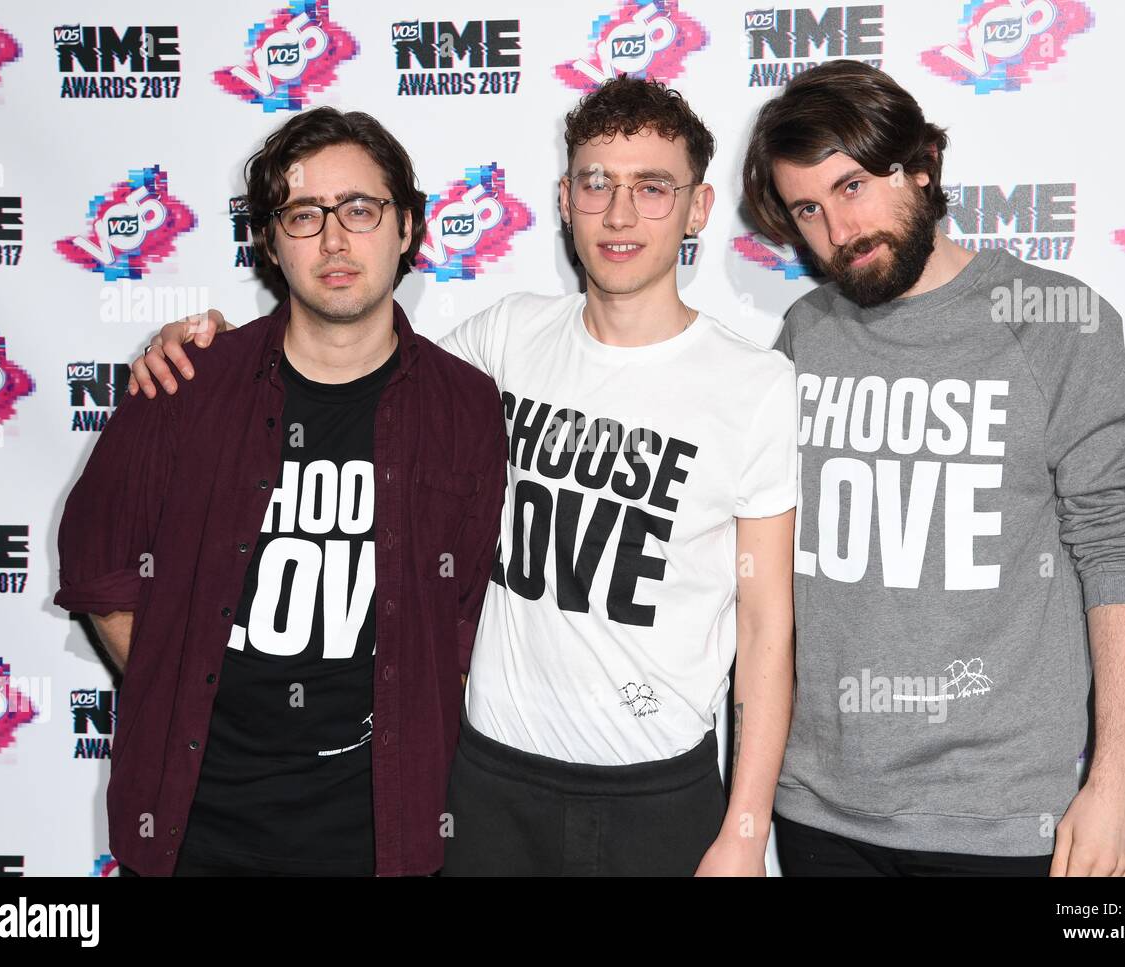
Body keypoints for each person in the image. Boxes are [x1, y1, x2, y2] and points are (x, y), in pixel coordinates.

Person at [127, 77, 798, 877]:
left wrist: (747, 831)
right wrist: (211, 346)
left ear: (695, 208)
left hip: (658, 790)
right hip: (485, 780)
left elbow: (765, 628)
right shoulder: (505, 337)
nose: (620, 215)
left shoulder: (753, 384)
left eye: (653, 188)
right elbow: (353, 350)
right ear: (563, 198)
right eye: (597, 183)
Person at [53, 107, 506, 876]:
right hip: (195, 835)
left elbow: (460, 622)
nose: (335, 240)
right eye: (304, 214)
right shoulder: (186, 382)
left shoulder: (463, 406)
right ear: (268, 239)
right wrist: (188, 684)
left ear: (407, 228)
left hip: (379, 840)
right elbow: (101, 568)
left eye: (360, 210)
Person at [741, 60, 1125, 876]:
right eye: (809, 209)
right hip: (818, 808)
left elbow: (1118, 552)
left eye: (854, 186)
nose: (839, 231)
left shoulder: (1056, 323)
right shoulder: (806, 332)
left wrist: (1117, 775)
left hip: (999, 822)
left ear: (924, 167)